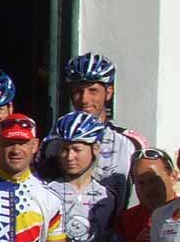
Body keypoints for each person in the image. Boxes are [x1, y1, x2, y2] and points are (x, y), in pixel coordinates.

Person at [41, 53, 148, 204]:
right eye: (78, 91)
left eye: (93, 91)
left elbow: (150, 191)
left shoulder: (130, 142)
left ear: (109, 92)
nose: (84, 99)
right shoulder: (54, 141)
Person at [47, 111, 117, 242]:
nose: (69, 157)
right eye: (64, 149)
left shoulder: (106, 197)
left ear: (95, 149)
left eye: (77, 149)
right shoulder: (47, 191)